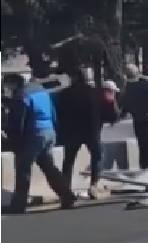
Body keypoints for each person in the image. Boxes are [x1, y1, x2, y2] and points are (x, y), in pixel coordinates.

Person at [3, 73, 78, 213]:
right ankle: (67, 195)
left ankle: (18, 204)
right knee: (49, 167)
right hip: (49, 131)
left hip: (33, 134)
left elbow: (19, 120)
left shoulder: (22, 95)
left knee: (23, 169)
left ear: (14, 83)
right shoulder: (41, 91)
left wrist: (11, 135)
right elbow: (53, 112)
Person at [55, 67, 105, 199]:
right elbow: (100, 112)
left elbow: (60, 113)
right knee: (96, 157)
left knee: (69, 161)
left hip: (73, 131)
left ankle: (66, 189)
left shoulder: (65, 93)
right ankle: (94, 184)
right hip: (91, 131)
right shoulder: (94, 92)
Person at [121, 64, 148, 169]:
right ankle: (145, 163)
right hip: (138, 116)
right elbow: (125, 99)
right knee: (142, 141)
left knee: (146, 140)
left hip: (147, 116)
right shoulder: (129, 83)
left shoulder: (147, 82)